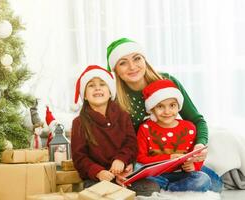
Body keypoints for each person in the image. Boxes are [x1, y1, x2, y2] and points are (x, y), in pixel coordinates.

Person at [106, 37, 222, 192]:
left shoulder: (167, 81)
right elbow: (117, 141)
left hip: (176, 160)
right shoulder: (114, 98)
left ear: (144, 60)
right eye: (123, 62)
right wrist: (124, 163)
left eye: (137, 58)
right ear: (115, 70)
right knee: (137, 173)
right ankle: (163, 187)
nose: (132, 66)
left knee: (215, 185)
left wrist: (200, 144)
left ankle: (165, 187)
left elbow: (197, 120)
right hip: (142, 160)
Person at [71, 65, 160, 196]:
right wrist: (98, 172)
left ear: (110, 92)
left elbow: (131, 144)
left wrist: (123, 161)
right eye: (91, 85)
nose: (97, 88)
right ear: (84, 95)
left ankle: (121, 191)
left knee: (152, 188)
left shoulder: (123, 116)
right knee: (92, 190)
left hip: (122, 173)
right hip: (99, 177)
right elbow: (80, 157)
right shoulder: (79, 123)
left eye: (102, 84)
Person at [136, 79, 211, 191]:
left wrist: (195, 166)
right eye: (160, 106)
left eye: (172, 105)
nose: (167, 111)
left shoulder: (189, 128)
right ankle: (170, 188)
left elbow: (196, 155)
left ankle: (169, 188)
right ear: (152, 109)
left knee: (203, 179)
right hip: (156, 175)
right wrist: (169, 158)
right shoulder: (145, 128)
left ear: (178, 106)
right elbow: (140, 158)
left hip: (181, 174)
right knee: (136, 168)